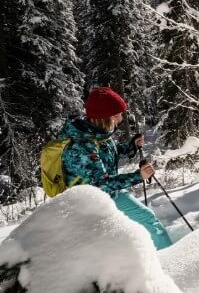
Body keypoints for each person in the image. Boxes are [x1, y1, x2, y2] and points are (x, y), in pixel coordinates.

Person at [60, 87, 173, 250]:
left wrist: (130, 146)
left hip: (107, 192)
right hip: (92, 199)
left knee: (135, 225)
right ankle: (173, 260)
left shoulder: (95, 132)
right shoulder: (81, 145)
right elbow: (100, 184)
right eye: (117, 114)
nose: (121, 118)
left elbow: (106, 153)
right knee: (147, 219)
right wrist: (137, 176)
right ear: (104, 116)